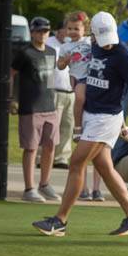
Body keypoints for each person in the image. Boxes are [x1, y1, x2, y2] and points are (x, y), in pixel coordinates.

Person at [31, 11, 128, 237]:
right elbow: (67, 62)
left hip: (106, 118)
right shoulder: (92, 44)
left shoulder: (123, 55)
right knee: (105, 168)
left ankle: (60, 221)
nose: (107, 44)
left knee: (76, 162)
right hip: (91, 114)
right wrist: (67, 60)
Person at [56, 9, 105, 201]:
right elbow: (60, 66)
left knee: (99, 150)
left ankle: (96, 189)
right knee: (79, 97)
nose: (73, 32)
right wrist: (66, 61)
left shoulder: (89, 43)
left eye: (77, 28)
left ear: (85, 29)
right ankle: (77, 127)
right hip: (79, 79)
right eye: (69, 28)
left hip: (92, 78)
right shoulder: (66, 47)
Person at [11, 17, 60, 202]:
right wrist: (12, 99)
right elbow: (11, 74)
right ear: (32, 32)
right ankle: (29, 188)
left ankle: (45, 184)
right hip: (30, 108)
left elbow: (50, 78)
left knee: (49, 147)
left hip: (50, 107)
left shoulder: (51, 51)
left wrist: (52, 99)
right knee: (31, 148)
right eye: (39, 31)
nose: (42, 34)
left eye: (46, 31)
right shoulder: (25, 53)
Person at [47, 15, 77, 168]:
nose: (68, 32)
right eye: (66, 29)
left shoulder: (73, 45)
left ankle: (61, 158)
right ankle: (44, 157)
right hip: (55, 91)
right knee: (52, 126)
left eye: (71, 29)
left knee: (68, 126)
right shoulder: (50, 44)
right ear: (58, 31)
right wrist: (48, 90)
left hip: (70, 92)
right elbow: (47, 70)